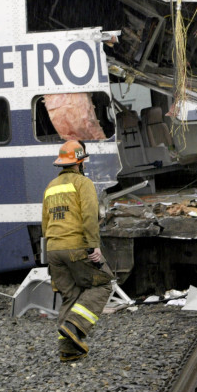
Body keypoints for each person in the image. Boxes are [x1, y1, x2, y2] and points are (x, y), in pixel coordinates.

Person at [42, 140, 113, 362]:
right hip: (75, 247)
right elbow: (89, 216)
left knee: (70, 296)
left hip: (53, 249)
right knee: (102, 284)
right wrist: (94, 246)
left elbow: (45, 223)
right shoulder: (83, 183)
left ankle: (68, 350)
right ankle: (75, 325)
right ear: (80, 161)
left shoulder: (51, 186)